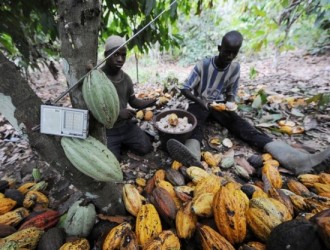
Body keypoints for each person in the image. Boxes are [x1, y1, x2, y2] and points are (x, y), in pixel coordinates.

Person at [167, 30, 330, 175]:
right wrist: (200, 100)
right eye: (226, 52)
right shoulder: (203, 65)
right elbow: (185, 89)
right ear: (219, 48)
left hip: (218, 104)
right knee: (196, 123)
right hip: (199, 102)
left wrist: (230, 104)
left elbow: (231, 92)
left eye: (234, 53)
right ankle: (192, 156)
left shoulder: (234, 68)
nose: (229, 56)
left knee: (242, 126)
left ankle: (299, 161)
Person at [101, 35, 156, 160]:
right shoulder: (98, 79)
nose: (120, 59)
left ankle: (126, 142)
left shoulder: (126, 79)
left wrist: (151, 102)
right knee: (112, 162)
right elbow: (96, 110)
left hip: (125, 126)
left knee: (146, 148)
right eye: (116, 54)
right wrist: (118, 114)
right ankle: (118, 145)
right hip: (108, 131)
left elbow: (134, 101)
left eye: (123, 55)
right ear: (106, 55)